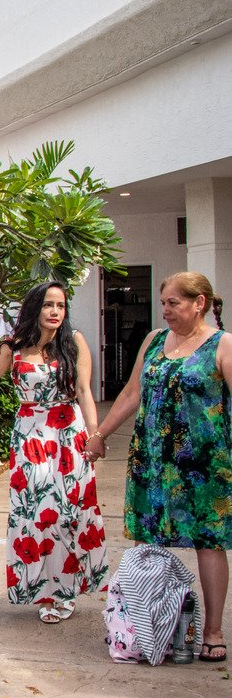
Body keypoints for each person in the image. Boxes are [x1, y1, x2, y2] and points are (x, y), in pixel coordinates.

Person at [0, 282, 107, 622]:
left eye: (60, 306)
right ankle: (46, 592)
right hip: (31, 437)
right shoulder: (12, 347)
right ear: (34, 308)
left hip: (69, 435)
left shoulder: (74, 342)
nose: (55, 312)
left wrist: (95, 435)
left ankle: (65, 590)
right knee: (38, 514)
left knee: (68, 514)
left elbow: (84, 391)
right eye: (48, 305)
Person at [86, 272, 230, 663]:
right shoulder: (153, 341)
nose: (165, 310)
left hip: (205, 468)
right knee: (147, 545)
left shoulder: (222, 345)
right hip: (151, 462)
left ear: (199, 303)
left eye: (173, 303)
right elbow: (132, 393)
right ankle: (143, 629)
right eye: (163, 302)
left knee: (208, 543)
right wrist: (100, 434)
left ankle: (212, 631)